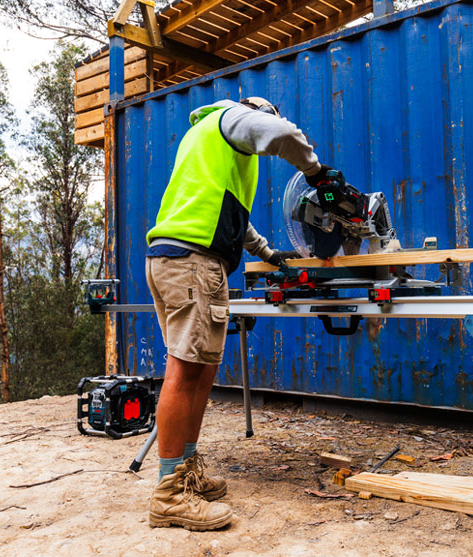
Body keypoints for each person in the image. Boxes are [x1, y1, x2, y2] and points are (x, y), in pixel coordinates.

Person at [144, 97, 338, 530]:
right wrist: (315, 173)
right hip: (193, 262)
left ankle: (185, 468)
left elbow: (231, 217)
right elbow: (284, 135)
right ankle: (169, 493)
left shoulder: (201, 139)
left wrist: (269, 253)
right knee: (184, 370)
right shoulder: (231, 119)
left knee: (200, 371)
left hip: (175, 258)